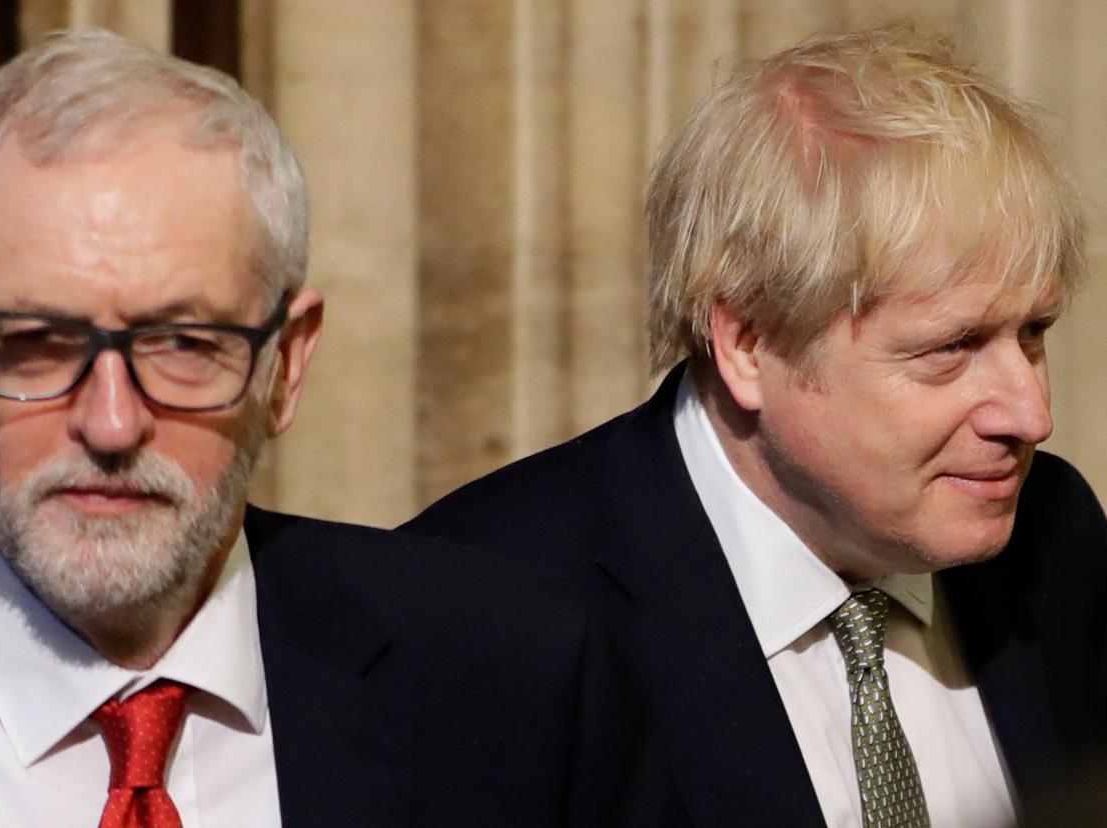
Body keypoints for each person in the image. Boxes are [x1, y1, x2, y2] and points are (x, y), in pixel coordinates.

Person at [0, 30, 646, 827]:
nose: (110, 423)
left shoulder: (515, 681)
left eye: (184, 346)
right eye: (36, 345)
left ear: (286, 366)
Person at [406, 26, 1107, 827]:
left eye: (1033, 334)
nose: (1031, 414)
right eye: (953, 348)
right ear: (747, 342)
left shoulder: (1056, 538)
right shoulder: (485, 610)